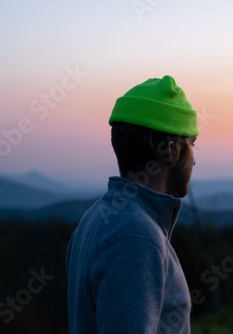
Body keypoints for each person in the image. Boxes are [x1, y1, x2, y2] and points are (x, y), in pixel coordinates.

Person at [66, 75, 199, 333]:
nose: (194, 160)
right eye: (192, 144)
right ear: (170, 150)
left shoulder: (96, 218)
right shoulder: (135, 237)